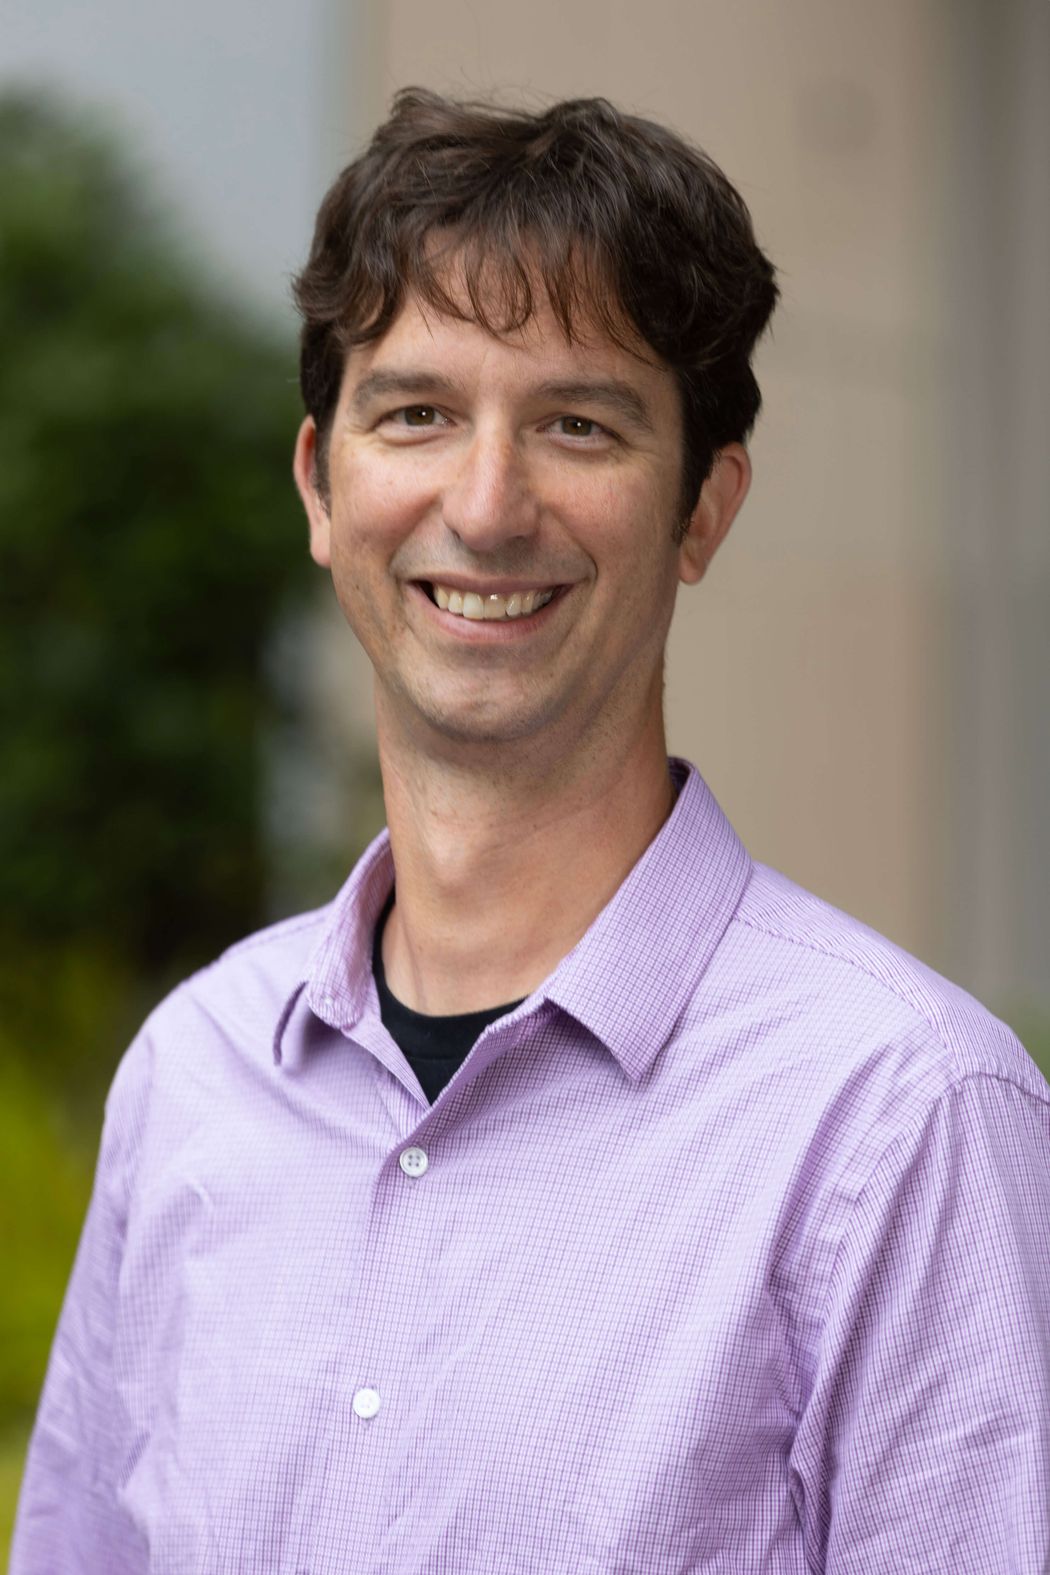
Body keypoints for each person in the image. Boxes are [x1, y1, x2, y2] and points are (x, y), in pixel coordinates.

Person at [12, 88, 1050, 1574]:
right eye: (416, 413)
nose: (487, 506)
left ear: (702, 509)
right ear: (321, 484)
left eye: (578, 423)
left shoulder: (903, 1124)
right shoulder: (192, 1075)